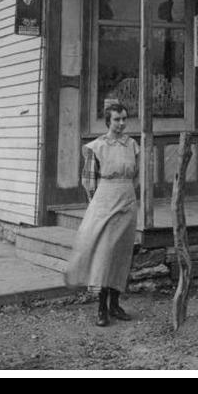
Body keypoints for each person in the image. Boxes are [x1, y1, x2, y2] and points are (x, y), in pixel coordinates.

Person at [64, 101, 139, 327]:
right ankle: (101, 308)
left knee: (121, 254)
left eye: (124, 119)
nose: (121, 123)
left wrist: (127, 194)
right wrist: (101, 204)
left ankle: (115, 305)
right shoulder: (97, 147)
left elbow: (136, 176)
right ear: (108, 121)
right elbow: (88, 182)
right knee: (104, 255)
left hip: (127, 202)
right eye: (117, 119)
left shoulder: (132, 145)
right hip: (105, 202)